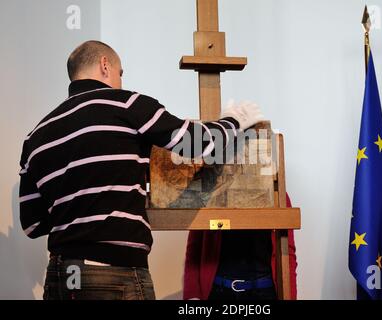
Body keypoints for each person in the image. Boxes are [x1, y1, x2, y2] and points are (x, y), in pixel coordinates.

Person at [18, 40, 263, 300]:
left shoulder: (36, 136)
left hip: (60, 276)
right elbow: (196, 143)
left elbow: (32, 225)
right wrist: (233, 121)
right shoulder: (126, 105)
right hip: (113, 274)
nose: (121, 81)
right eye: (120, 73)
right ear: (105, 65)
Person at [183, 194, 298, 300]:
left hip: (264, 291)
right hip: (219, 291)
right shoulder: (209, 193)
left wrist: (290, 296)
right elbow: (194, 247)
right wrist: (192, 294)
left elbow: (288, 252)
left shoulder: (276, 193)